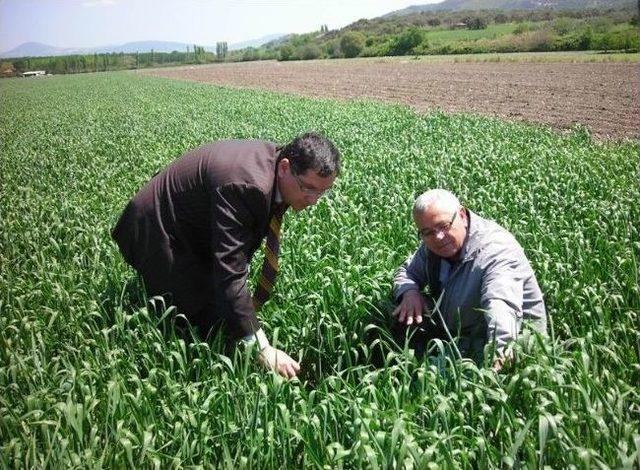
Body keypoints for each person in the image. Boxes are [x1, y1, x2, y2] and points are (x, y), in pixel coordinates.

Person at [112, 132, 340, 379]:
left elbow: (237, 250)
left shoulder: (279, 171)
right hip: (157, 229)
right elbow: (229, 272)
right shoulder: (247, 186)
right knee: (197, 325)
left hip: (191, 227)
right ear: (286, 167)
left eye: (323, 192)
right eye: (309, 188)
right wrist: (263, 348)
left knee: (223, 312)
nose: (314, 200)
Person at [392, 189, 546, 370]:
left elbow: (500, 303)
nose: (438, 237)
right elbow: (406, 272)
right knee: (397, 311)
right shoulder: (434, 244)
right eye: (427, 232)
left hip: (499, 338)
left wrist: (501, 351)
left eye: (444, 226)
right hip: (458, 328)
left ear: (463, 215)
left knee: (443, 381)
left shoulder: (496, 250)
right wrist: (409, 292)